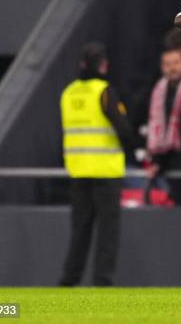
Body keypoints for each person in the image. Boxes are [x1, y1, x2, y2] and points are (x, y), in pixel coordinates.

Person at [59, 43, 138, 287]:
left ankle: (69, 280)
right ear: (101, 64)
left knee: (79, 231)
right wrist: (133, 152)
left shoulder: (69, 92)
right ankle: (102, 281)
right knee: (107, 232)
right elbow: (123, 128)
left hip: (78, 170)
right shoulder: (103, 91)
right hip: (106, 170)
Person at [146, 47, 181, 205]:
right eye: (167, 64)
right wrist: (157, 162)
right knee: (179, 209)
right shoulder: (160, 90)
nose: (172, 68)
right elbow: (159, 128)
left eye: (176, 63)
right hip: (174, 160)